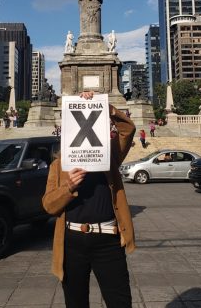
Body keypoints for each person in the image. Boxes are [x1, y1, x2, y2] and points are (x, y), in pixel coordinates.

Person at [42, 91, 136, 308]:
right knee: (75, 303)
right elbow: (48, 205)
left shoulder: (109, 156)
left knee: (120, 302)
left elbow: (127, 130)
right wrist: (69, 187)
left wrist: (104, 107)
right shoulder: (59, 165)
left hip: (108, 241)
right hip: (72, 242)